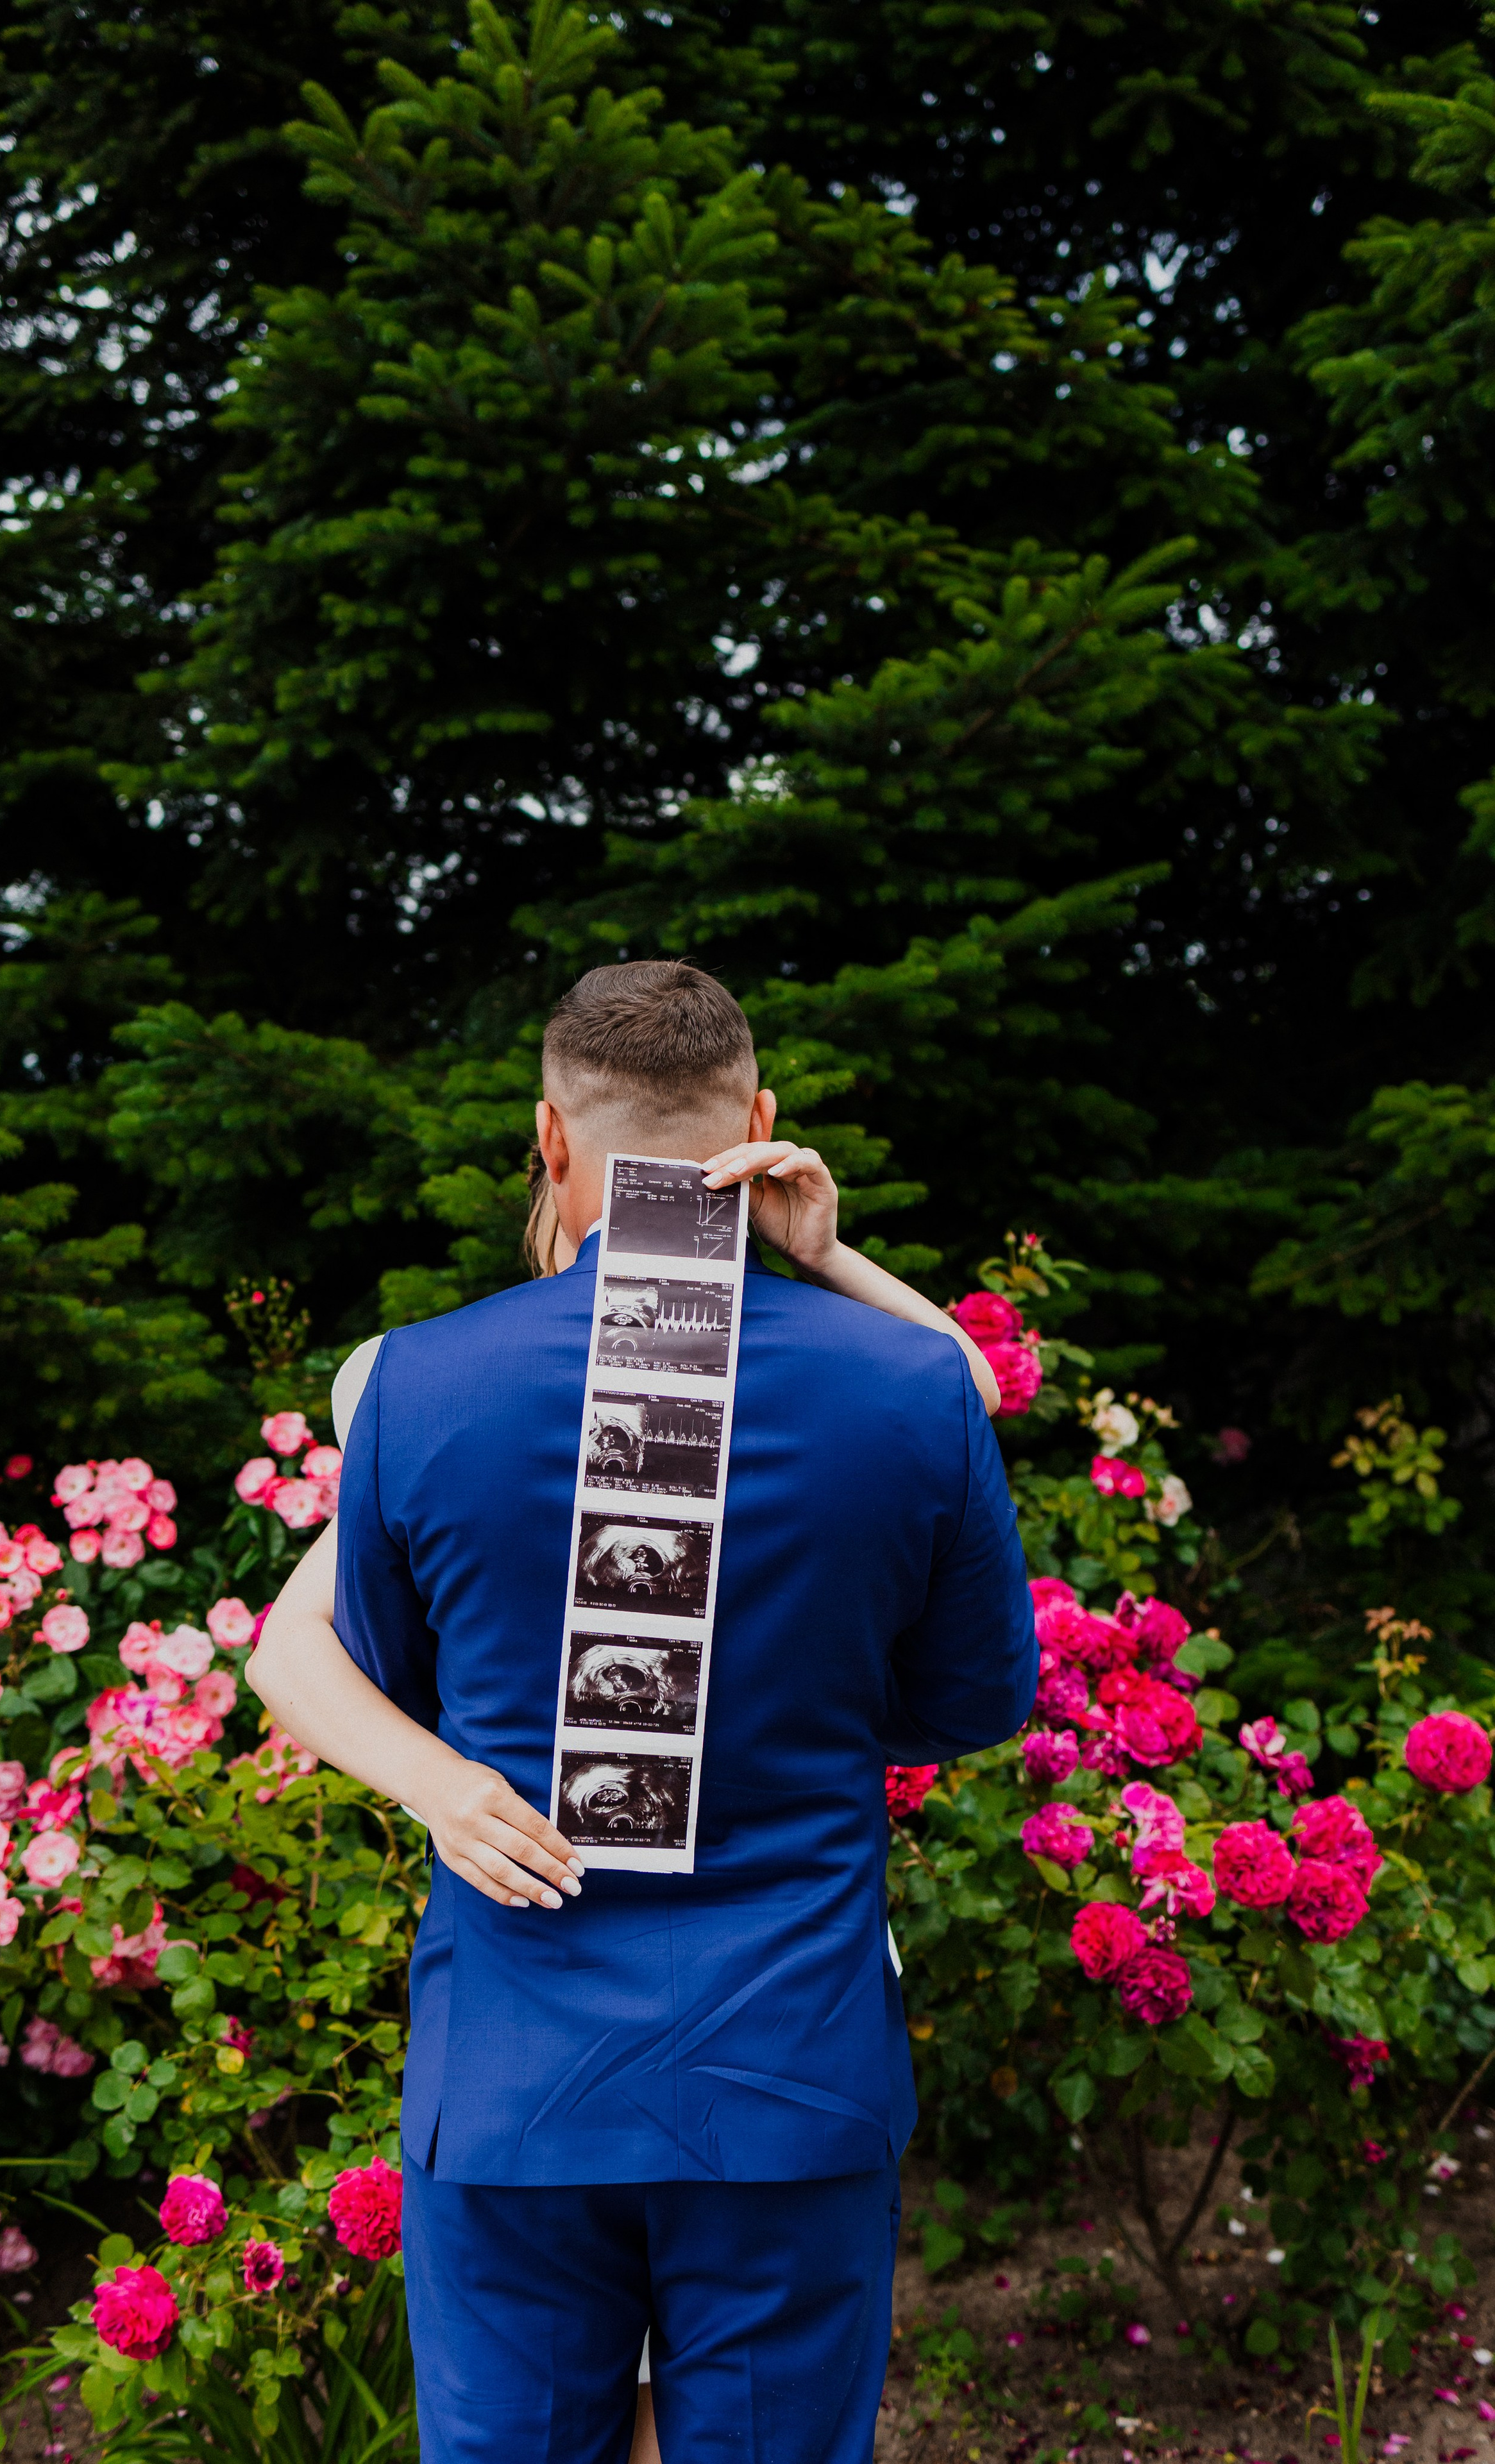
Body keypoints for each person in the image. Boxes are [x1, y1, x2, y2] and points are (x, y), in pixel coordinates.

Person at [249, 958, 1037, 2464]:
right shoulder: (910, 1391)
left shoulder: (418, 1386)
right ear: (759, 1122)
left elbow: (370, 1665)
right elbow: (970, 1701)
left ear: (549, 1138)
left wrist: (452, 1776)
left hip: (513, 2075)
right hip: (787, 2064)